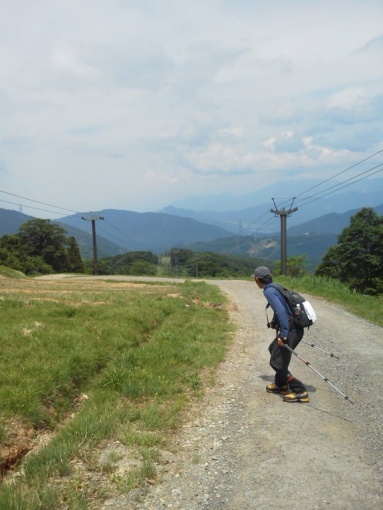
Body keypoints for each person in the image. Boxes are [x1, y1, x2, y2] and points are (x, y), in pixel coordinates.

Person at [252, 266, 309, 403]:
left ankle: (300, 391)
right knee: (273, 349)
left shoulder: (269, 292)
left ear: (257, 279)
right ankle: (281, 384)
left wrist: (283, 335)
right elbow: (281, 309)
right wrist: (273, 322)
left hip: (291, 330)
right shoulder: (274, 287)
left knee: (277, 363)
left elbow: (282, 312)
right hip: (294, 328)